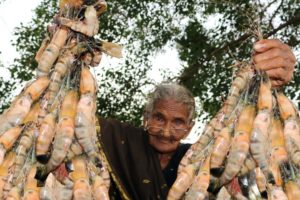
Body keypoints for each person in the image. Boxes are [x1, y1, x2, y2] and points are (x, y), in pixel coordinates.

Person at [97, 39, 297, 200]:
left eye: (177, 122)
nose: (166, 131)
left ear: (189, 128)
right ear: (146, 118)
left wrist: (270, 85)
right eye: (158, 118)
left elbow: (256, 160)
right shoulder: (119, 140)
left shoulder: (201, 160)